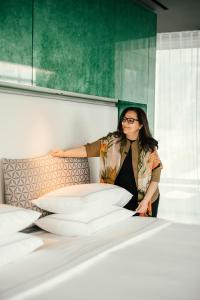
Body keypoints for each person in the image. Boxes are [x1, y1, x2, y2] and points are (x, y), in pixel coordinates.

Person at [51, 107, 162, 217]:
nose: (125, 123)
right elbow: (88, 149)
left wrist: (146, 201)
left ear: (141, 125)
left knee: (143, 231)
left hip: (145, 199)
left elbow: (155, 176)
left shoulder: (148, 148)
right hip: (118, 199)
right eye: (124, 119)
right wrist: (64, 153)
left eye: (130, 121)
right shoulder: (111, 141)